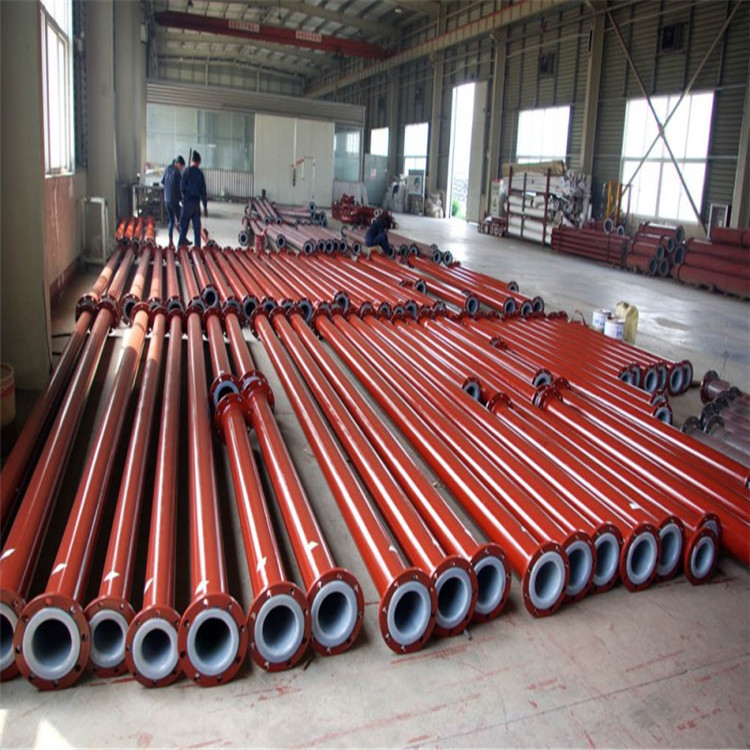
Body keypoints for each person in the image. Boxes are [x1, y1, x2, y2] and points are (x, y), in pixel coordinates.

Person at [177, 150, 208, 248]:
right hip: (196, 205)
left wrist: (184, 195)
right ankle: (197, 249)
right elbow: (203, 192)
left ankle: (180, 248)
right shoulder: (200, 174)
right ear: (199, 162)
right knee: (197, 229)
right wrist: (205, 206)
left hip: (187, 203)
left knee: (184, 228)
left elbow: (181, 187)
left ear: (192, 161)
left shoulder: (186, 171)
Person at [161, 155, 185, 246]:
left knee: (171, 220)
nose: (181, 169)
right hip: (174, 200)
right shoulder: (177, 173)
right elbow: (180, 188)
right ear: (177, 164)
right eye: (181, 166)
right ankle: (182, 241)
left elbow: (162, 181)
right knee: (181, 220)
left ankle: (170, 241)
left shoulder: (167, 169)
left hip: (166, 199)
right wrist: (181, 199)